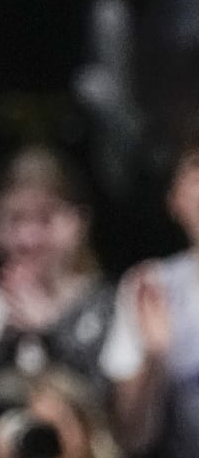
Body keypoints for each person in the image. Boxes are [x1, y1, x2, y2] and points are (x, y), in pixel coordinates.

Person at [0, 148, 113, 397]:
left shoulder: (109, 305)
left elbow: (109, 408)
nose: (28, 239)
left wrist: (50, 333)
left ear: (78, 222)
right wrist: (8, 337)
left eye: (45, 219)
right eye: (14, 219)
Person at [100, 121, 199, 456]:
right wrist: (156, 358)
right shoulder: (149, 285)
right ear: (173, 199)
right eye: (197, 169)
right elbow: (132, 437)